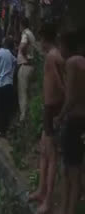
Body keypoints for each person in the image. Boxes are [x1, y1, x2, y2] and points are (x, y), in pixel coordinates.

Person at [28, 24, 65, 214]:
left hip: (53, 108)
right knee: (44, 151)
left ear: (45, 39)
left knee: (51, 156)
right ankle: (41, 191)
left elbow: (60, 85)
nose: (39, 43)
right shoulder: (55, 55)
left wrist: (60, 111)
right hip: (49, 108)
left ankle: (48, 200)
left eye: (41, 39)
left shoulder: (52, 56)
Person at [56, 29, 85, 214]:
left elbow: (71, 96)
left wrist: (60, 116)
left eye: (61, 45)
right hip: (82, 120)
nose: (59, 49)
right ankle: (67, 209)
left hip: (74, 120)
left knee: (70, 171)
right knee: (72, 169)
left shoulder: (72, 63)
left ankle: (69, 209)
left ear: (67, 46)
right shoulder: (82, 61)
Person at [17, 17, 36, 122]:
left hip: (25, 66)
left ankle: (23, 119)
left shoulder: (25, 33)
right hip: (30, 66)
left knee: (22, 94)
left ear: (21, 25)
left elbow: (23, 47)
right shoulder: (31, 34)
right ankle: (27, 117)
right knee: (27, 93)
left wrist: (24, 56)